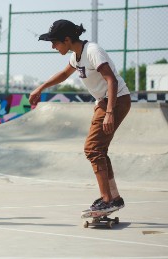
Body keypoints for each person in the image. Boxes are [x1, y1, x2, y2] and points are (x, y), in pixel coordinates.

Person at [29, 20, 131, 212]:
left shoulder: (92, 51)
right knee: (99, 149)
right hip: (105, 101)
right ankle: (114, 197)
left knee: (92, 148)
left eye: (55, 42)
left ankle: (107, 200)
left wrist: (109, 112)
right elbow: (63, 74)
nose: (53, 47)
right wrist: (41, 87)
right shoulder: (77, 56)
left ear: (67, 39)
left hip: (115, 100)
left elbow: (112, 80)